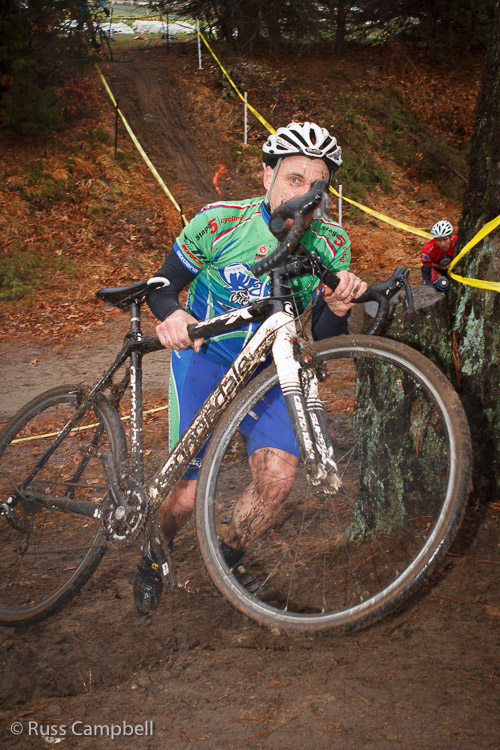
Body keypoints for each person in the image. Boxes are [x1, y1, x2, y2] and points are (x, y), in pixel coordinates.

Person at [134, 122, 368, 614]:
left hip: (271, 369)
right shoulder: (221, 222)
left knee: (277, 482)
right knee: (185, 495)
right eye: (294, 179)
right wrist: (173, 314)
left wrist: (337, 307)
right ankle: (156, 549)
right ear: (267, 176)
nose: (305, 194)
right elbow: (162, 282)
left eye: (318, 185)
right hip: (207, 359)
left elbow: (324, 335)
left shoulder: (331, 242)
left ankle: (227, 560)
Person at [421, 220, 457, 287]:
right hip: (437, 269)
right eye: (439, 240)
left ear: (450, 237)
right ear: (435, 240)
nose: (443, 244)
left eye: (445, 239)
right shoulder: (428, 249)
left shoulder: (457, 242)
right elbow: (426, 271)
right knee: (437, 286)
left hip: (453, 267)